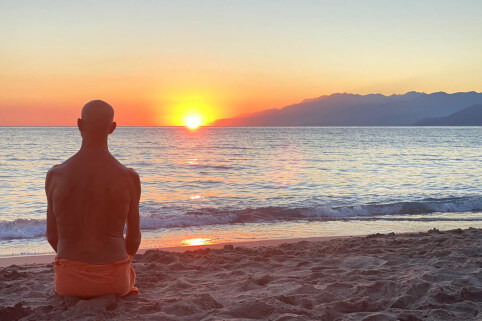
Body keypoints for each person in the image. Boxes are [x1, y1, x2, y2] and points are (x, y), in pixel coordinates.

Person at [45, 100, 141, 298]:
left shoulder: (55, 175)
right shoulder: (128, 178)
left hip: (69, 282)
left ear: (79, 124)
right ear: (112, 128)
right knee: (128, 275)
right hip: (114, 280)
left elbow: (52, 236)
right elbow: (133, 239)